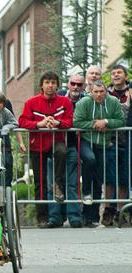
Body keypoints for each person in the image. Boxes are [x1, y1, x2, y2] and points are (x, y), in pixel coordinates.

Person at [19, 71, 73, 228]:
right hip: (38, 144)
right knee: (39, 182)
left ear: (57, 85)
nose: (50, 85)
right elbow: (22, 121)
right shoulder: (31, 102)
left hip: (57, 141)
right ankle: (42, 216)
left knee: (62, 151)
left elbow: (70, 120)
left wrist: (58, 123)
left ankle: (57, 183)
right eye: (47, 82)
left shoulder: (65, 102)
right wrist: (39, 124)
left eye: (53, 82)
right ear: (41, 85)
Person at [73, 80, 125, 228]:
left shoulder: (113, 102)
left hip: (104, 143)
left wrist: (106, 122)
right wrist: (95, 124)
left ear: (106, 91)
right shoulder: (84, 102)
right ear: (90, 91)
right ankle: (86, 191)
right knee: (90, 159)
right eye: (95, 92)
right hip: (86, 140)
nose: (99, 94)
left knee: (98, 180)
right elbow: (76, 122)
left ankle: (92, 218)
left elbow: (120, 121)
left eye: (101, 91)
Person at [47, 73, 86, 228]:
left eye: (79, 84)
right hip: (52, 149)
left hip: (71, 147)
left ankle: (74, 216)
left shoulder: (72, 102)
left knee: (72, 184)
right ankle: (55, 217)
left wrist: (58, 122)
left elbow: (71, 121)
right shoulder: (55, 100)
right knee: (54, 184)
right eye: (72, 83)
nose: (75, 86)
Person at [104, 64, 131, 226]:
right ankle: (108, 210)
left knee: (124, 178)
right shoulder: (105, 93)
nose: (116, 75)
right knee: (109, 177)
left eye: (119, 72)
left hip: (127, 141)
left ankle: (121, 211)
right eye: (113, 73)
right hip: (110, 141)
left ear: (125, 76)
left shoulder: (131, 91)